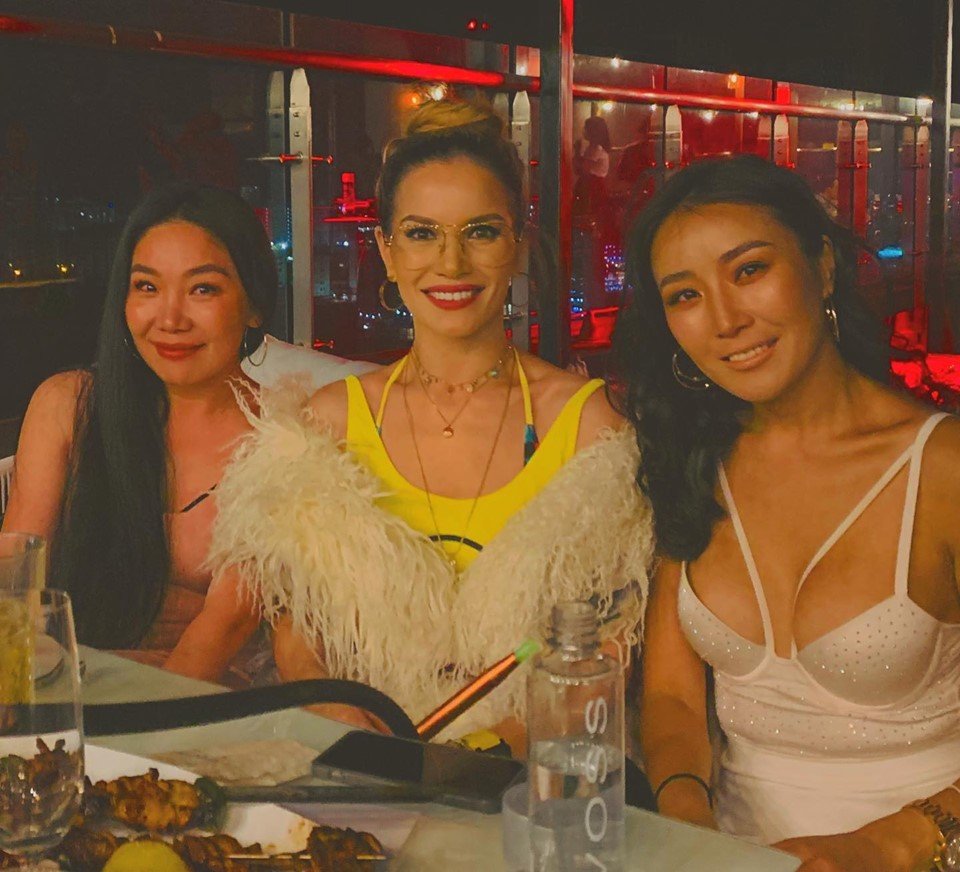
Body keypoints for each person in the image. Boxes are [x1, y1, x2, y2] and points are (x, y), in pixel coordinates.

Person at [177, 99, 653, 752]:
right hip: (365, 769)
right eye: (422, 234)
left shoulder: (591, 428)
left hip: (537, 775)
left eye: (481, 232)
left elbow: (615, 642)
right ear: (387, 250)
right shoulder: (326, 425)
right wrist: (332, 708)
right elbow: (297, 626)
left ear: (518, 244)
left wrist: (492, 750)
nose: (450, 264)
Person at [612, 154, 960, 870]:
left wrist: (889, 845)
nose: (726, 320)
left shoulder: (942, 467)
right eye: (685, 295)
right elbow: (674, 699)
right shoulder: (692, 456)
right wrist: (686, 817)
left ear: (823, 267)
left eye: (748, 270)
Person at [2, 183, 276, 683]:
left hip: (205, 702)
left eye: (203, 289)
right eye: (147, 287)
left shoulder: (284, 439)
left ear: (254, 305)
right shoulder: (69, 406)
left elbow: (225, 628)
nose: (169, 319)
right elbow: (15, 585)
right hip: (64, 688)